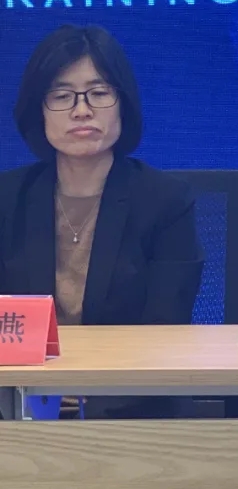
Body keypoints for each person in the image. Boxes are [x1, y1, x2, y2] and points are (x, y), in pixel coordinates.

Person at [0, 25, 204, 419]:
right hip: (19, 403)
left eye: (98, 93)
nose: (81, 110)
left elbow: (166, 325)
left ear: (122, 104)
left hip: (132, 405)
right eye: (62, 96)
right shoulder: (7, 199)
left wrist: (89, 394)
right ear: (37, 110)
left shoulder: (165, 201)